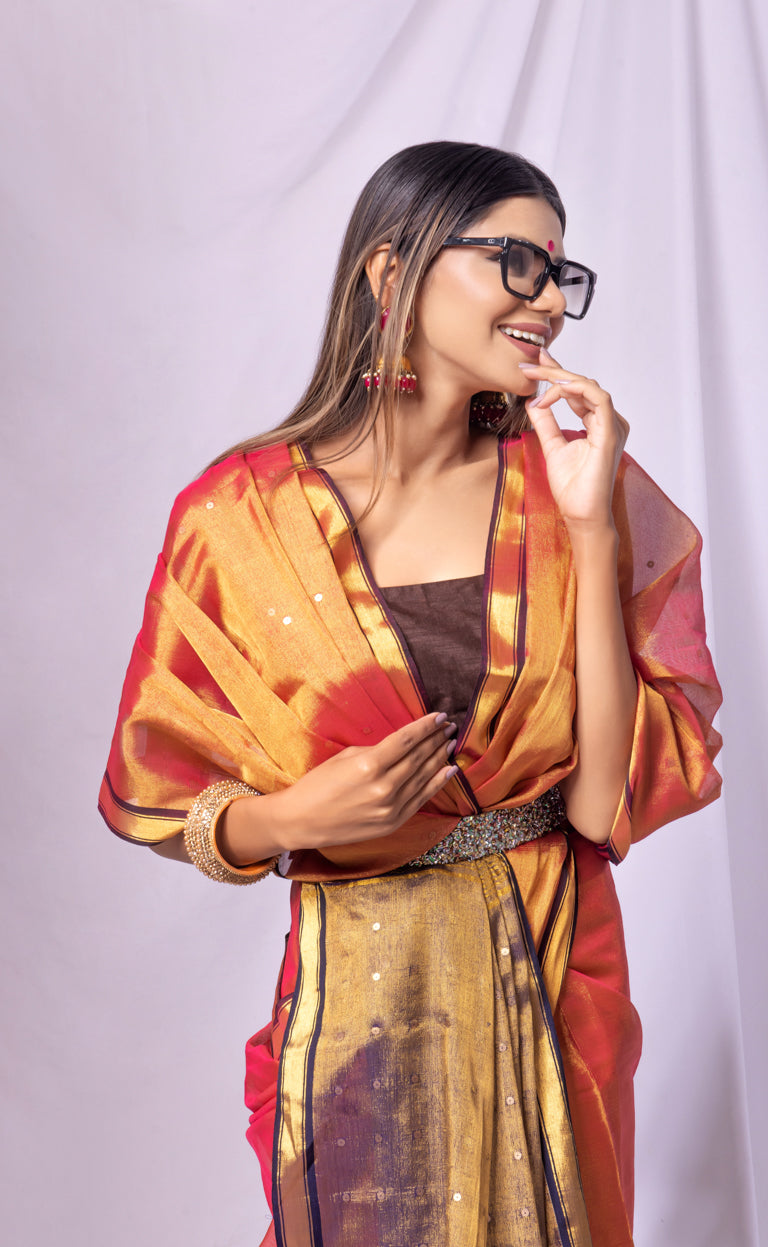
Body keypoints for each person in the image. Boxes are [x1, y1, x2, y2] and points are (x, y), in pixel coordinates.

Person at [100, 141, 722, 1247]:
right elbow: (156, 783)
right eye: (516, 264)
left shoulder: (574, 487)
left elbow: (594, 808)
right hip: (359, 1000)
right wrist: (288, 821)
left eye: (560, 275)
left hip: (553, 963)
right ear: (394, 274)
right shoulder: (239, 516)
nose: (548, 304)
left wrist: (590, 527)